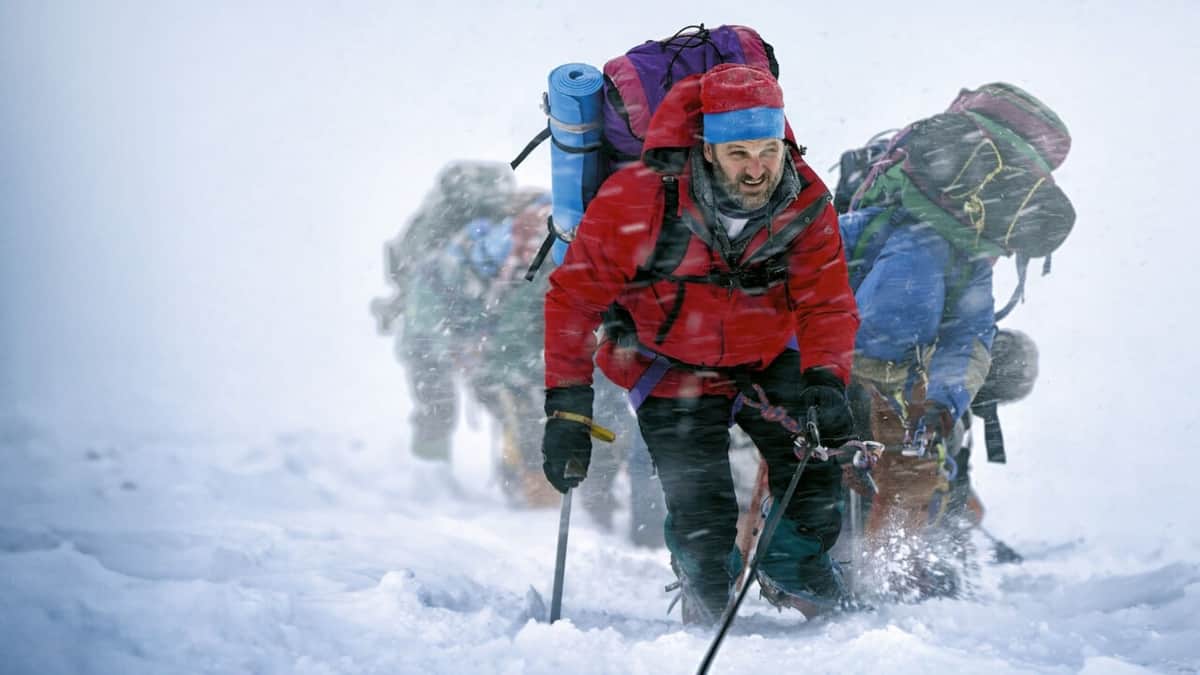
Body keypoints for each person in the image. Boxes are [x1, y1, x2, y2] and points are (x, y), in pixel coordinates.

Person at [539, 63, 860, 624]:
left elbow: (826, 302)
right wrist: (567, 407)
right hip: (668, 367)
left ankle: (795, 568)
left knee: (817, 470)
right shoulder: (636, 198)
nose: (757, 169)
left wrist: (827, 379)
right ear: (707, 150)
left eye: (768, 150)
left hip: (767, 358)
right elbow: (573, 301)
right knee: (702, 519)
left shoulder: (806, 201)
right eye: (739, 153)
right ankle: (705, 588)